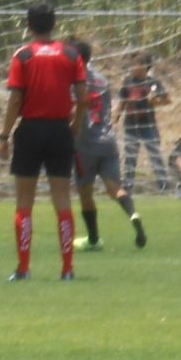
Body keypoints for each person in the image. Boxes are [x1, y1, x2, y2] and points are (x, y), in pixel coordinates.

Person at [0, 3, 87, 282]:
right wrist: (75, 125)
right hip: (60, 130)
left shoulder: (23, 56)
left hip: (31, 130)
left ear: (28, 25)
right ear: (54, 24)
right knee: (62, 199)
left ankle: (23, 268)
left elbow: (14, 99)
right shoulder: (71, 54)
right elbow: (83, 97)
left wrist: (4, 135)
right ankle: (67, 269)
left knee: (25, 201)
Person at [66, 39, 146, 252]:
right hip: (108, 140)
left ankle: (93, 239)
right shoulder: (102, 80)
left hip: (85, 143)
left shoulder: (71, 82)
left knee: (85, 192)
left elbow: (75, 110)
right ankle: (133, 214)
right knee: (115, 189)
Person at [114, 52, 171, 193]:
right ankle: (128, 185)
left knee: (154, 154)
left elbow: (167, 100)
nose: (132, 67)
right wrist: (114, 120)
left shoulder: (153, 83)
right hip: (130, 125)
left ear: (145, 67)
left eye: (136, 64)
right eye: (132, 64)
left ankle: (163, 185)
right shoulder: (127, 82)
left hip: (148, 125)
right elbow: (122, 103)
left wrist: (155, 101)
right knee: (130, 156)